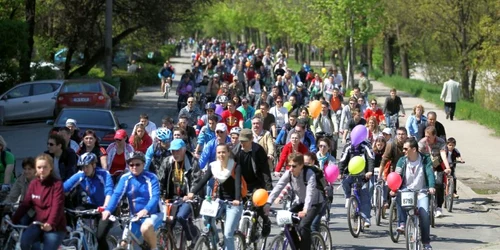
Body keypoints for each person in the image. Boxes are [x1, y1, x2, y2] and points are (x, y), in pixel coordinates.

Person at [186, 144, 243, 250]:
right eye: (219, 152)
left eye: (223, 152)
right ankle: (215, 239)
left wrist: (236, 199)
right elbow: (203, 181)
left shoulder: (235, 166)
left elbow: (238, 184)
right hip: (219, 201)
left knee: (228, 234)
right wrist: (192, 193)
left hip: (233, 204)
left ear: (228, 153)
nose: (221, 154)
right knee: (206, 219)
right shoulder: (214, 166)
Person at [102, 152, 162, 250]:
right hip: (134, 216)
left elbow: (155, 197)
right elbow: (117, 195)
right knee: (124, 244)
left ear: (143, 164)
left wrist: (145, 210)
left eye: (137, 164)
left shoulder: (151, 177)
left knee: (145, 228)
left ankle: (154, 248)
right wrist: (108, 210)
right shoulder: (125, 178)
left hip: (153, 213)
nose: (134, 167)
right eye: (131, 165)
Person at [265, 153, 324, 250]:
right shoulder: (289, 173)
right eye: (289, 165)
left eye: (294, 166)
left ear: (301, 165)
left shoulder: (309, 173)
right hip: (300, 201)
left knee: (303, 225)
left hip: (314, 203)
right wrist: (268, 203)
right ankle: (297, 246)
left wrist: (305, 210)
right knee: (287, 221)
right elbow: (278, 186)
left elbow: (310, 193)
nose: (291, 168)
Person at [12, 154, 67, 249]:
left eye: (45, 167)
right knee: (24, 242)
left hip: (55, 226)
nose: (42, 170)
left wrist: (50, 223)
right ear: (36, 169)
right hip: (38, 223)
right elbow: (26, 204)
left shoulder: (57, 184)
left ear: (51, 168)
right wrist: (13, 220)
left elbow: (56, 206)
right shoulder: (34, 184)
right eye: (39, 167)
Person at [392, 137, 435, 250]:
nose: (404, 151)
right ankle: (402, 223)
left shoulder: (425, 159)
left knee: (424, 214)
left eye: (406, 149)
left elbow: (430, 173)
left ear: (414, 149)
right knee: (399, 196)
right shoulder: (402, 161)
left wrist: (431, 186)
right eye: (403, 149)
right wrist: (393, 188)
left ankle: (426, 242)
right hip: (407, 190)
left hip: (422, 191)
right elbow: (397, 176)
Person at [64, 153, 114, 250]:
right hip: (92, 206)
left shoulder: (103, 174)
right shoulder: (81, 175)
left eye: (87, 166)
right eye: (82, 167)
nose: (84, 170)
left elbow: (109, 191)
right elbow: (64, 188)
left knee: (100, 236)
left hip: (108, 207)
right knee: (75, 211)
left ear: (94, 165)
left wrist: (105, 206)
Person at [160, 139, 201, 246]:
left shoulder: (192, 162)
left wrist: (191, 194)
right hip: (171, 197)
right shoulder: (167, 162)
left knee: (181, 217)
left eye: (177, 151)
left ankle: (194, 235)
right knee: (167, 222)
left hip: (187, 197)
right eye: (173, 151)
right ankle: (170, 242)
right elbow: (160, 180)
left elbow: (197, 180)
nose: (175, 153)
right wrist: (159, 194)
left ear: (184, 150)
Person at [235, 129, 273, 236]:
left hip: (257, 182)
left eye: (245, 141)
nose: (242, 143)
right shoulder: (236, 150)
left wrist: (268, 187)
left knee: (258, 204)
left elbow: (265, 171)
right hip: (243, 183)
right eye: (241, 141)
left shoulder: (258, 150)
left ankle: (266, 221)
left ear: (251, 139)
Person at [338, 139, 375, 226]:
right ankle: (348, 197)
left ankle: (366, 217)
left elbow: (370, 158)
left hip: (363, 174)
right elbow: (342, 160)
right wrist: (340, 172)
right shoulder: (348, 146)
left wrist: (370, 171)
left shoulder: (366, 145)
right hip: (350, 173)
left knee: (364, 193)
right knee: (345, 182)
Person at [418, 126, 452, 218]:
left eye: (429, 136)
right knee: (426, 184)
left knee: (439, 183)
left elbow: (443, 155)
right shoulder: (422, 143)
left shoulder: (441, 142)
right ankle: (427, 204)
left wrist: (448, 167)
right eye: (425, 136)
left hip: (438, 164)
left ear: (434, 136)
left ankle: (438, 207)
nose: (427, 138)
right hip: (427, 165)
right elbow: (418, 156)